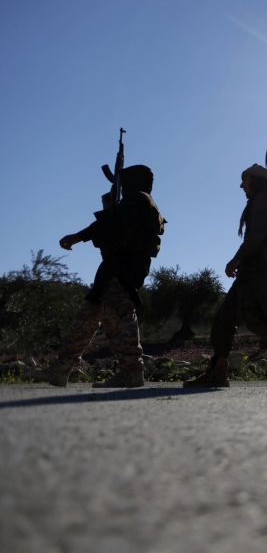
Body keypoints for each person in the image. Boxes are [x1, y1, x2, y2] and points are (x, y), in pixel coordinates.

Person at [184, 164, 267, 388]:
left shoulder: (263, 200)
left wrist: (236, 259)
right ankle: (217, 372)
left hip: (256, 270)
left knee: (257, 321)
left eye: (244, 180)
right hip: (256, 270)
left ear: (255, 181)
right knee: (223, 320)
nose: (241, 185)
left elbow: (256, 235)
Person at [31, 165, 165, 388]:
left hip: (123, 269)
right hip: (114, 268)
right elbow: (113, 233)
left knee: (118, 318)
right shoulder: (136, 202)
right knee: (86, 319)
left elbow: (111, 226)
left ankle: (132, 370)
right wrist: (110, 207)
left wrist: (80, 235)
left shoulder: (138, 199)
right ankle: (61, 368)